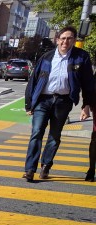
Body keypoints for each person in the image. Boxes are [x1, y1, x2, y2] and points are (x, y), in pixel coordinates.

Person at [23, 26, 94, 182]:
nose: (65, 41)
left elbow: (88, 83)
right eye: (62, 38)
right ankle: (30, 169)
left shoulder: (81, 57)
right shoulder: (47, 57)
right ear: (57, 40)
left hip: (63, 101)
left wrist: (86, 105)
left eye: (69, 38)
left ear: (74, 40)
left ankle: (46, 166)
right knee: (36, 133)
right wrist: (29, 104)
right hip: (43, 100)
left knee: (54, 136)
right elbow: (33, 80)